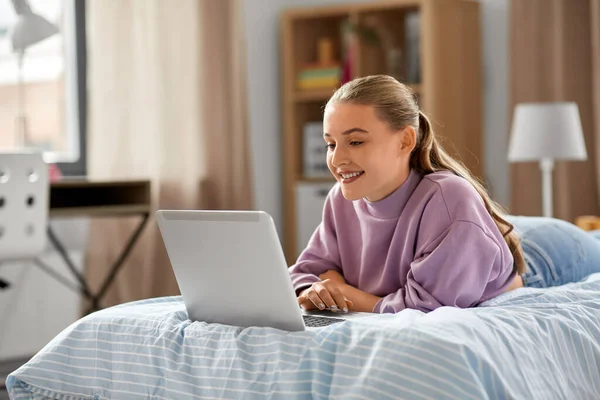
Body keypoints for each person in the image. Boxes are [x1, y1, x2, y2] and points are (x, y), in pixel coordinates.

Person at [289, 74, 600, 314]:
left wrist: (345, 295)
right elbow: (305, 272)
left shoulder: (449, 198)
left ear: (405, 141)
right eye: (331, 143)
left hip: (545, 257)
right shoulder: (341, 198)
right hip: (481, 235)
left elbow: (430, 305)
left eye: (355, 142)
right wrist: (321, 288)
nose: (337, 158)